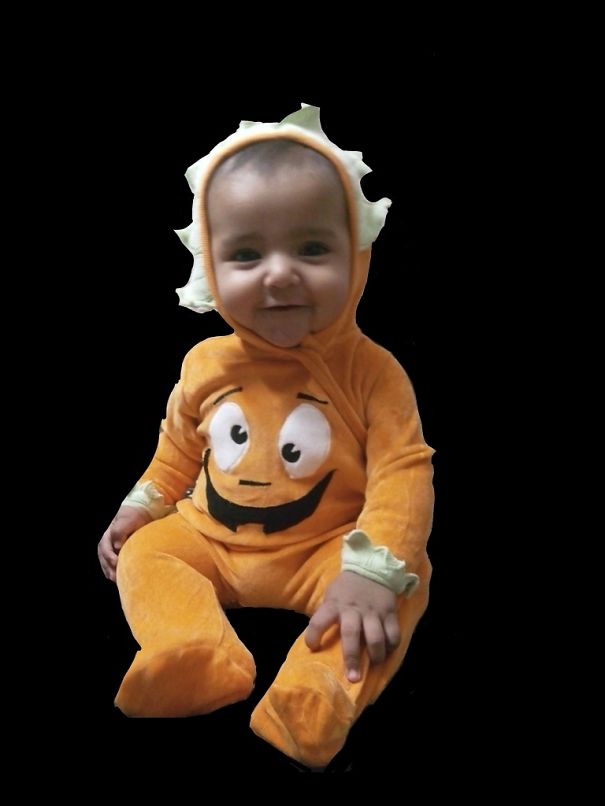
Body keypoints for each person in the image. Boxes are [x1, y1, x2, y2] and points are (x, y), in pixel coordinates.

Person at [98, 104, 435, 769]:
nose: (279, 273)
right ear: (210, 266)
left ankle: (310, 700)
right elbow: (176, 450)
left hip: (324, 552)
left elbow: (403, 473)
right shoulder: (205, 364)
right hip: (211, 541)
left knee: (405, 582)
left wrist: (369, 571)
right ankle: (193, 652)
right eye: (247, 254)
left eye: (310, 247)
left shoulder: (372, 373)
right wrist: (140, 505)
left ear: (355, 251)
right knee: (145, 555)